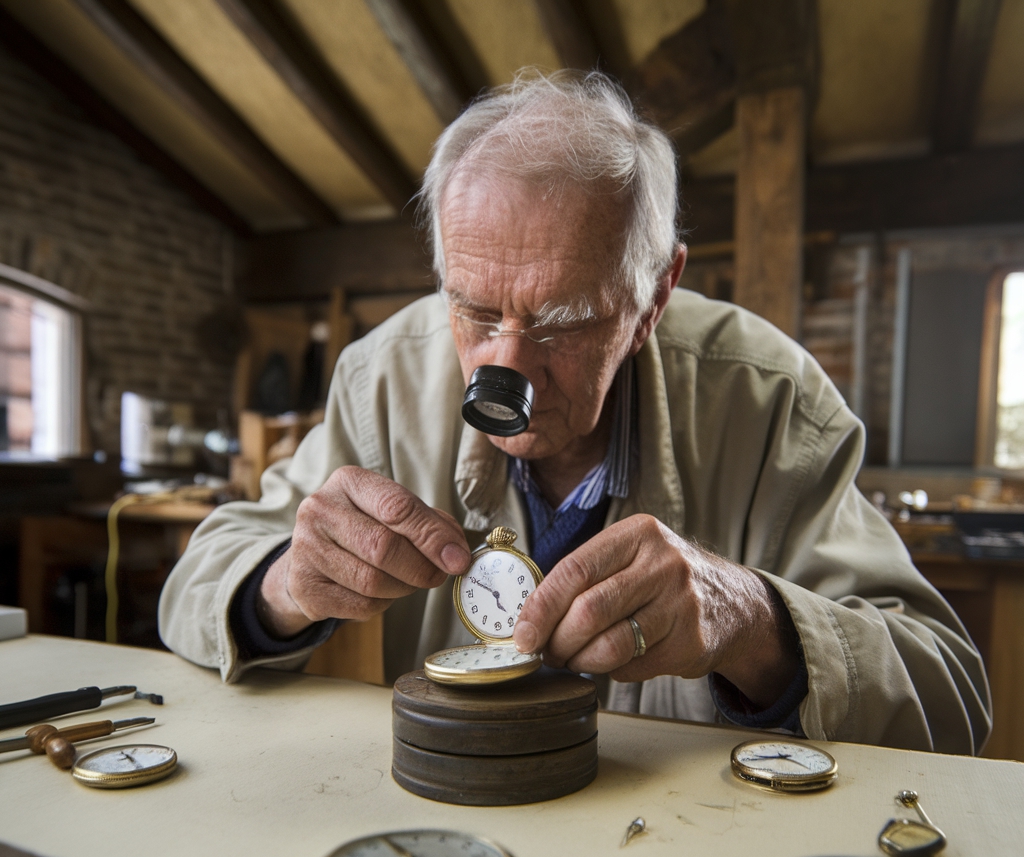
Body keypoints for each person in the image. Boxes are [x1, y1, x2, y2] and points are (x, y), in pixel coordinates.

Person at [159, 71, 990, 754]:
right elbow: (193, 586)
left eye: (563, 322)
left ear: (655, 295)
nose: (505, 371)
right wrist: (282, 586)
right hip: (457, 801)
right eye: (478, 312)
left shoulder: (773, 400)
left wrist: (752, 622)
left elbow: (951, 697)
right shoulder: (382, 377)